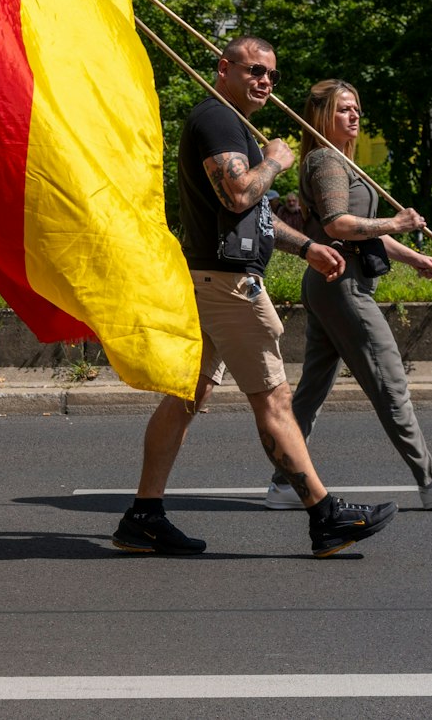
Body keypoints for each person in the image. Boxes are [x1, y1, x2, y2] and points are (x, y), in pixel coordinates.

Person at [112, 36, 399, 559]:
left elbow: (253, 216)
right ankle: (323, 516)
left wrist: (308, 246)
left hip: (209, 278)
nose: (265, 81)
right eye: (254, 71)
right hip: (225, 284)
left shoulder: (231, 124)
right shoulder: (217, 120)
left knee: (185, 397)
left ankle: (143, 516)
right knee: (274, 397)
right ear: (224, 68)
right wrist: (275, 160)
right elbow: (240, 192)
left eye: (271, 74)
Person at [266, 79, 432, 510]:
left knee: (310, 391)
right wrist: (397, 223)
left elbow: (361, 231)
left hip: (331, 282)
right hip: (343, 286)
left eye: (358, 110)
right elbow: (338, 227)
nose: (355, 116)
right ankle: (429, 478)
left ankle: (283, 483)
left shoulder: (336, 161)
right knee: (390, 381)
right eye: (344, 109)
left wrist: (411, 257)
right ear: (322, 116)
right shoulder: (328, 161)